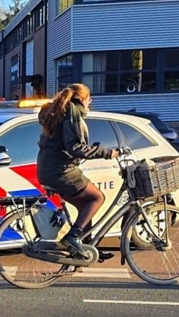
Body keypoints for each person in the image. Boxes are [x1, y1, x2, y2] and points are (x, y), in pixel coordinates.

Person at [36, 84, 119, 256]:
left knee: (84, 206)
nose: (90, 102)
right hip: (60, 170)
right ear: (82, 99)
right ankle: (72, 238)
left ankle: (87, 248)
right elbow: (75, 147)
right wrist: (106, 152)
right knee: (97, 197)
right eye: (89, 99)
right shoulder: (72, 113)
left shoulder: (59, 111)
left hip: (47, 167)